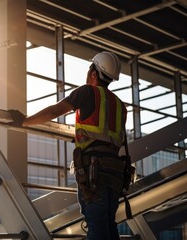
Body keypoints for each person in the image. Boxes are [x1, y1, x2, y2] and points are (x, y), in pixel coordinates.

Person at [21, 51, 127, 239]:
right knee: (109, 226)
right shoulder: (119, 105)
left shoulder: (87, 92)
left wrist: (24, 121)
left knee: (96, 227)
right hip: (116, 174)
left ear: (94, 73)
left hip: (95, 173)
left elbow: (54, 110)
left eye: (89, 69)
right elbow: (108, 137)